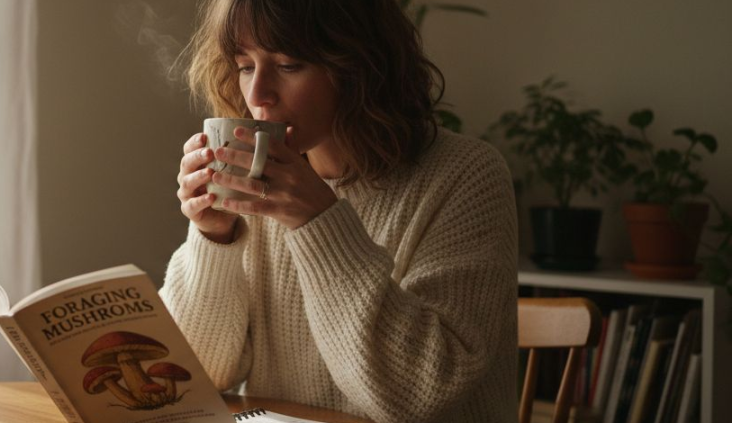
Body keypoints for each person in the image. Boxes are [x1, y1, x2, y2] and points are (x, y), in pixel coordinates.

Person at [159, 1, 518, 422]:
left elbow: (417, 397)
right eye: (245, 66)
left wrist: (318, 222)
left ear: (361, 67)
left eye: (289, 64)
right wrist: (213, 237)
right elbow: (193, 378)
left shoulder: (466, 175)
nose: (257, 95)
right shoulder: (256, 181)